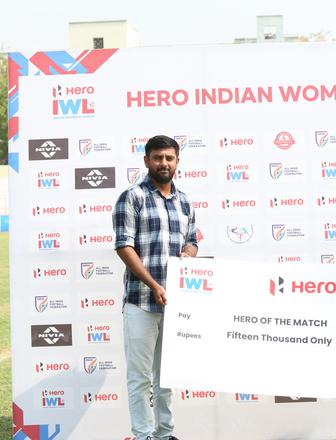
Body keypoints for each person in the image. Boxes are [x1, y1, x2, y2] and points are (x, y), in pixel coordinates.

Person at [113, 135, 198, 440]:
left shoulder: (185, 200)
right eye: (158, 157)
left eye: (169, 158)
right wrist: (153, 285)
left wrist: (187, 256)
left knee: (166, 377)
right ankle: (144, 434)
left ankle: (165, 434)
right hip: (141, 302)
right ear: (146, 160)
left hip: (175, 304)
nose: (164, 163)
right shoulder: (132, 197)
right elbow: (124, 246)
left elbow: (192, 243)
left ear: (177, 162)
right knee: (139, 378)